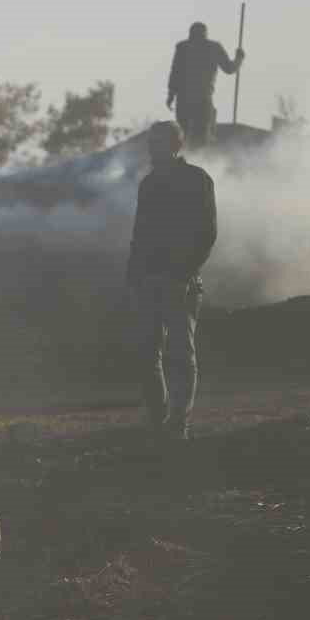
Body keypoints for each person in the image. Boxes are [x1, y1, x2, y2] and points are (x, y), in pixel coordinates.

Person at [126, 121, 216, 440]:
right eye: (151, 143)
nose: (153, 149)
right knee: (148, 352)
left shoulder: (197, 180)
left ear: (176, 145)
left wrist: (186, 272)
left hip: (180, 280)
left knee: (180, 354)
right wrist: (134, 274)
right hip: (150, 279)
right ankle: (159, 420)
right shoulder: (148, 185)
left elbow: (207, 233)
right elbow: (140, 233)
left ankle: (178, 424)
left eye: (159, 143)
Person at [167, 22, 244, 148]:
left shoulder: (183, 47)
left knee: (182, 136)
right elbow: (229, 68)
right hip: (202, 100)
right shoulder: (214, 48)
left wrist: (171, 95)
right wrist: (239, 58)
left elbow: (175, 72)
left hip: (184, 100)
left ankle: (184, 160)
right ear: (205, 34)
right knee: (200, 138)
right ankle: (197, 160)